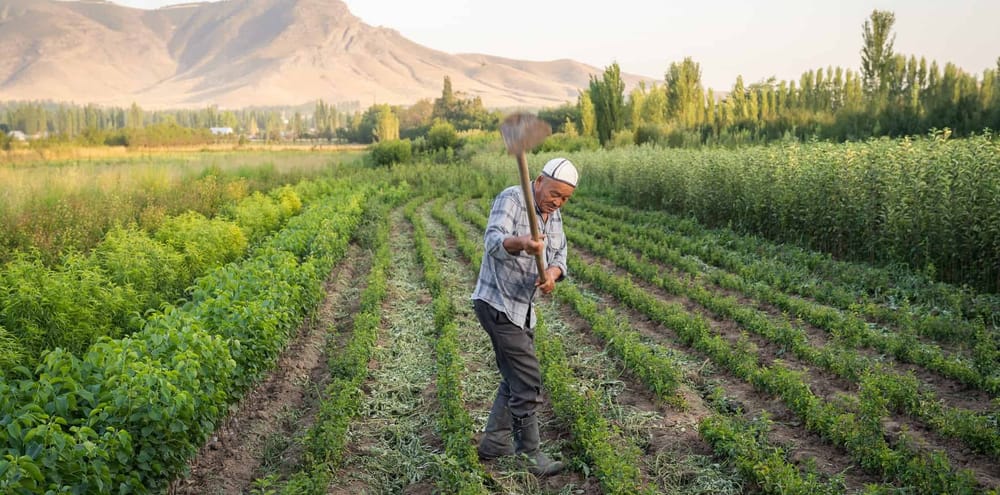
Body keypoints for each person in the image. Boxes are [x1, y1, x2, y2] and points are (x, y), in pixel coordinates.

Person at [471, 157, 578, 476]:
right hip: (498, 303)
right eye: (555, 194)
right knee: (528, 381)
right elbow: (493, 241)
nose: (557, 202)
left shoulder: (553, 214)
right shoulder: (513, 198)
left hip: (523, 308)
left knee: (514, 377)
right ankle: (529, 455)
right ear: (540, 181)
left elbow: (560, 256)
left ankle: (494, 443)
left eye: (565, 198)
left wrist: (552, 275)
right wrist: (522, 244)